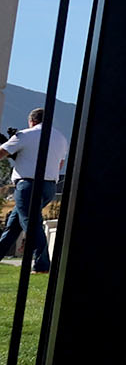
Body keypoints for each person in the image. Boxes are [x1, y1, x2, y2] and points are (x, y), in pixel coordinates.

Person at [2, 104, 70, 271]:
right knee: (14, 225)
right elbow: (60, 164)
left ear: (31, 121)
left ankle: (42, 264)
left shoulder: (24, 135)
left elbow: (2, 152)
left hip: (27, 185)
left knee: (31, 224)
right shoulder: (60, 138)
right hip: (49, 187)